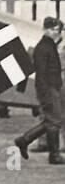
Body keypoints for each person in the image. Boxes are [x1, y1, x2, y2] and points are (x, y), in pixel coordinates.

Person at [13, 17, 65, 163]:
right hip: (48, 89)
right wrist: (46, 94)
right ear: (45, 29)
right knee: (54, 121)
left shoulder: (48, 45)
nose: (56, 33)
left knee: (52, 120)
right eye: (53, 30)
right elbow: (41, 74)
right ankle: (54, 155)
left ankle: (24, 140)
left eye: (57, 30)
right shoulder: (43, 48)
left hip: (52, 88)